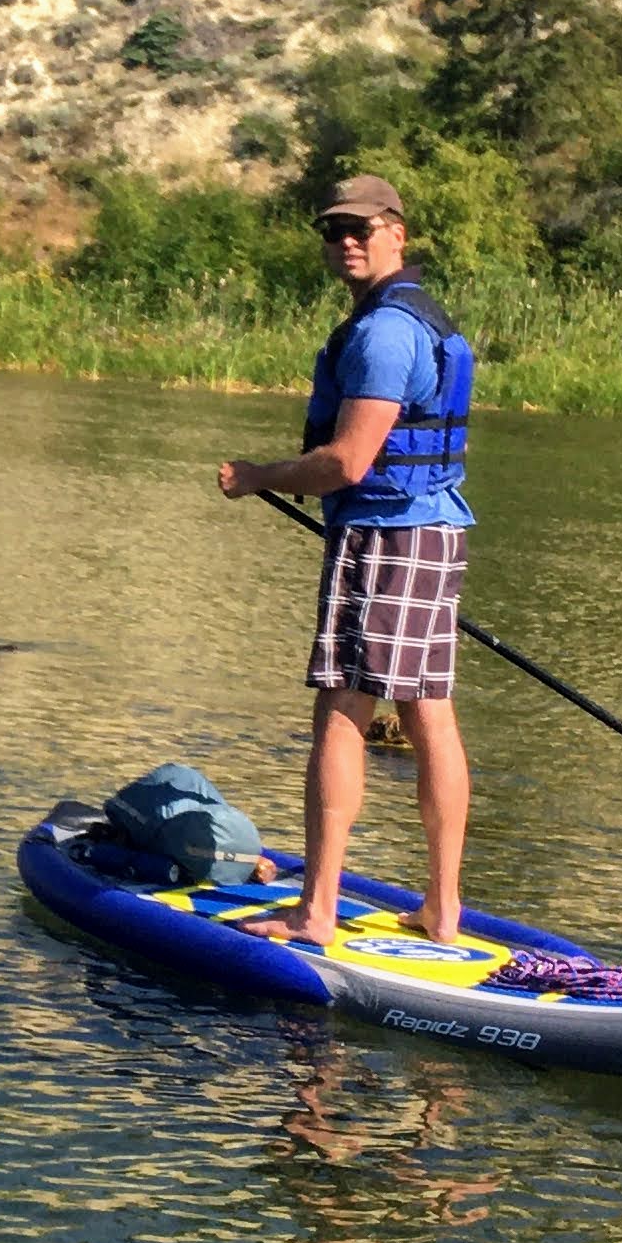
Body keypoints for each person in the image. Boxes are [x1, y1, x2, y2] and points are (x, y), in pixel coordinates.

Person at [213, 173, 474, 944]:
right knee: (429, 713)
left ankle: (316, 912)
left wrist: (259, 478)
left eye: (363, 226)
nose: (347, 240)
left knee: (342, 710)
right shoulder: (422, 318)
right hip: (435, 532)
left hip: (386, 536)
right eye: (334, 229)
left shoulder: (385, 332)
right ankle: (442, 909)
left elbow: (349, 462)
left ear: (399, 231)